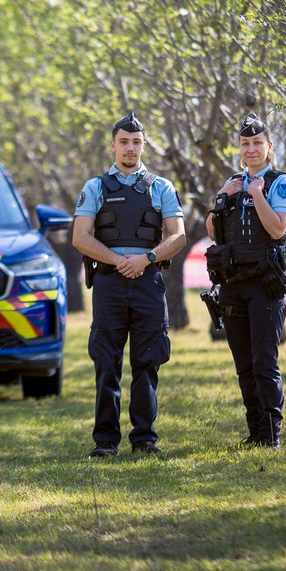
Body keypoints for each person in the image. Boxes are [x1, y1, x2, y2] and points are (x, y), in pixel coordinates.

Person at [72, 111, 187, 457]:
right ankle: (105, 441)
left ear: (144, 146)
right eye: (124, 142)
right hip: (109, 283)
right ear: (113, 145)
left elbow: (178, 236)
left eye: (136, 142)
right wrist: (117, 260)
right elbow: (80, 237)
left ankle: (144, 439)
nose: (130, 148)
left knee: (147, 361)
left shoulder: (161, 187)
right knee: (106, 363)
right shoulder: (94, 187)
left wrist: (146, 259)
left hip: (148, 282)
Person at [204, 113, 286, 448]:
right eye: (245, 144)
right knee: (244, 364)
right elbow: (212, 231)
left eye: (257, 143)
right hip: (232, 284)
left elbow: (277, 229)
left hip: (264, 285)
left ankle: (271, 434)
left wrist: (257, 194)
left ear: (269, 146)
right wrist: (221, 196)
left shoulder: (280, 183)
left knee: (263, 362)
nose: (251, 149)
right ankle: (255, 432)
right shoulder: (231, 182)